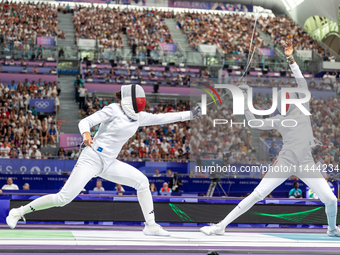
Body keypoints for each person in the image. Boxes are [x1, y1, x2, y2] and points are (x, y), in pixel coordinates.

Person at [6, 84, 202, 236]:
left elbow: (164, 118)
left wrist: (191, 114)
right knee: (63, 199)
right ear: (129, 99)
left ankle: (150, 226)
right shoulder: (113, 109)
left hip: (109, 163)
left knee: (142, 182)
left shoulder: (140, 117)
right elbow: (86, 121)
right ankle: (18, 211)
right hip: (91, 158)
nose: (141, 103)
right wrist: (86, 135)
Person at [200, 40, 340, 237]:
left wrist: (291, 59)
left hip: (306, 163)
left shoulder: (303, 110)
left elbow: (301, 82)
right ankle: (220, 226)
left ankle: (332, 229)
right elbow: (254, 123)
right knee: (257, 194)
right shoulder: (279, 120)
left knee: (331, 200)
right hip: (285, 162)